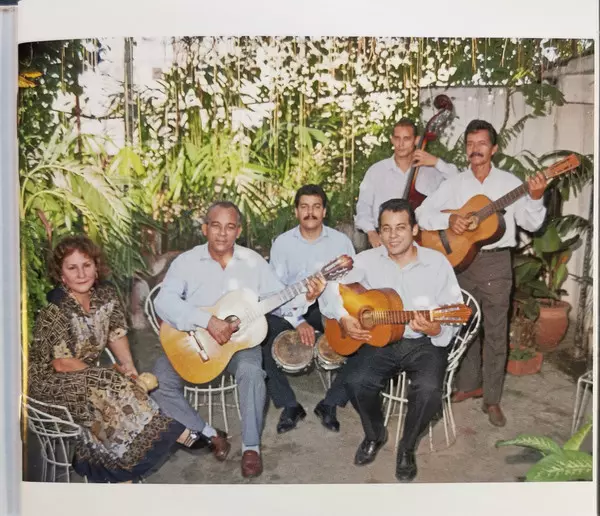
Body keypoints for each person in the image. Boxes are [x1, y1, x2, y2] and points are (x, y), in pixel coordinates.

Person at [151, 201, 325, 478]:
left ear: (238, 231)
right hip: (193, 341)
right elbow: (164, 302)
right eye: (216, 226)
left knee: (252, 371)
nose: (222, 233)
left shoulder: (253, 262)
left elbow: (279, 300)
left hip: (239, 344)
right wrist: (206, 320)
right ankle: (208, 434)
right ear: (205, 228)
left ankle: (251, 447)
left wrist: (307, 296)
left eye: (230, 227)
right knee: (159, 381)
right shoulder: (186, 262)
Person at [26, 235, 213, 483]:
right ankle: (176, 433)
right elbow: (62, 363)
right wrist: (111, 378)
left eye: (86, 265)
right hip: (50, 385)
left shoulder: (106, 295)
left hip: (84, 378)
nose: (81, 274)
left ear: (96, 266)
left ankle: (121, 473)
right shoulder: (56, 309)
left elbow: (116, 334)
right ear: (61, 275)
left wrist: (130, 369)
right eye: (72, 268)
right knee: (108, 385)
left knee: (113, 393)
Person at [415, 119, 548, 427]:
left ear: (494, 149)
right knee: (463, 325)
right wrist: (449, 221)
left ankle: (492, 399)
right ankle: (469, 384)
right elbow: (422, 213)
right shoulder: (455, 183)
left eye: (482, 144)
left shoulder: (510, 183)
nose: (475, 149)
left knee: (496, 331)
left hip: (497, 263)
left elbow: (531, 223)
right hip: (462, 262)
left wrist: (536, 197)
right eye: (470, 144)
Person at [319, 198, 463, 482]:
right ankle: (375, 434)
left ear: (415, 230)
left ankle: (407, 447)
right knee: (356, 381)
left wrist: (436, 329)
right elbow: (330, 288)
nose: (392, 236)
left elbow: (454, 312)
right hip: (381, 340)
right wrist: (344, 317)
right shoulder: (367, 260)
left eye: (400, 228)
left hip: (422, 342)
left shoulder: (437, 263)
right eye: (386, 229)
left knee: (429, 390)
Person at [266, 184, 356, 433]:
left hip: (330, 307)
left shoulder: (340, 242)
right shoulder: (282, 244)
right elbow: (275, 293)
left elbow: (350, 285)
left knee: (358, 337)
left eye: (316, 207)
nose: (310, 212)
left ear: (324, 211)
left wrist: (338, 315)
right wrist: (299, 320)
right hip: (290, 309)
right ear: (296, 211)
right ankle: (289, 405)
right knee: (260, 335)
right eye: (304, 207)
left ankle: (330, 403)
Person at [355, 117, 458, 249]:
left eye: (407, 138)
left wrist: (436, 162)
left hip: (422, 244)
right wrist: (371, 232)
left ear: (416, 140)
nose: (401, 144)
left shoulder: (431, 171)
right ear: (392, 139)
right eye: (397, 138)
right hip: (384, 242)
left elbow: (459, 182)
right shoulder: (376, 171)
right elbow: (363, 207)